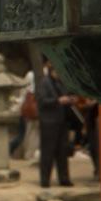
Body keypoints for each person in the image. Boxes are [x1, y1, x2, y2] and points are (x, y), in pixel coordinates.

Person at [37, 58, 76, 187]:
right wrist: (58, 100)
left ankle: (64, 178)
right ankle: (45, 179)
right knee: (48, 152)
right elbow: (42, 101)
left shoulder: (61, 83)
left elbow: (66, 97)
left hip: (61, 121)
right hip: (49, 122)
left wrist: (70, 99)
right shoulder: (44, 83)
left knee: (62, 152)